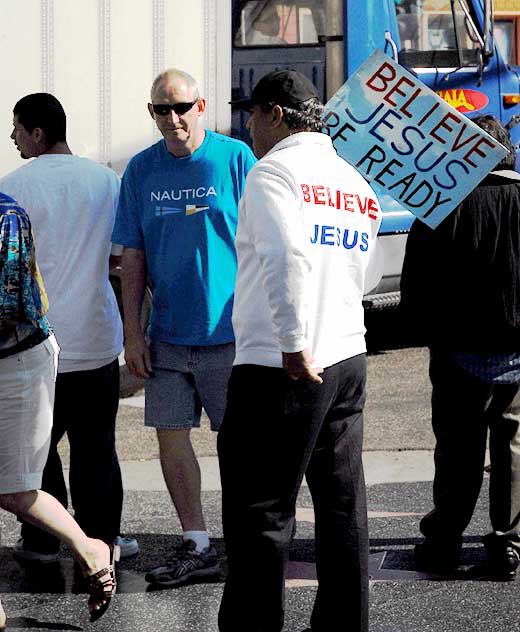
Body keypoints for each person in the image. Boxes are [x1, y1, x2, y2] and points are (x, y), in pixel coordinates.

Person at [218, 70, 382, 632]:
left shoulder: (273, 173)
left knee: (260, 512)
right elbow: (371, 270)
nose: (248, 125)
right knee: (342, 507)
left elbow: (286, 257)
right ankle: (344, 625)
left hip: (281, 364)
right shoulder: (352, 180)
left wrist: (292, 343)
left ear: (276, 115)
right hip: (347, 357)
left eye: (252, 114)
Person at [112, 68, 256, 587]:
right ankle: (196, 539)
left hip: (231, 335)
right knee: (170, 438)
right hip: (167, 337)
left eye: (180, 107)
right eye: (159, 110)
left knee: (239, 445)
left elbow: (266, 244)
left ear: (201, 106)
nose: (171, 119)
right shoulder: (141, 170)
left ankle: (247, 538)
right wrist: (133, 332)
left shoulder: (236, 158)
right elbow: (134, 256)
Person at [0, 93, 137, 562]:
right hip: (96, 338)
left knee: (38, 450)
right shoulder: (105, 181)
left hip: (35, 345)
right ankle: (105, 541)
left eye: (16, 128)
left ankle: (44, 540)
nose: (13, 137)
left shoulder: (13, 187)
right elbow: (122, 257)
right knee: (97, 447)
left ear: (37, 133)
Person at [400, 115, 520, 580]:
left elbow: (416, 293)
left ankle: (445, 538)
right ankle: (507, 544)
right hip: (517, 356)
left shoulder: (439, 207)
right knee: (512, 449)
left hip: (456, 355)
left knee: (457, 450)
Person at [0, 192, 118, 624]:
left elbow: (5, 306)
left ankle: (91, 549)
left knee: (13, 488)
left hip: (16, 361)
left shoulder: (5, 215)